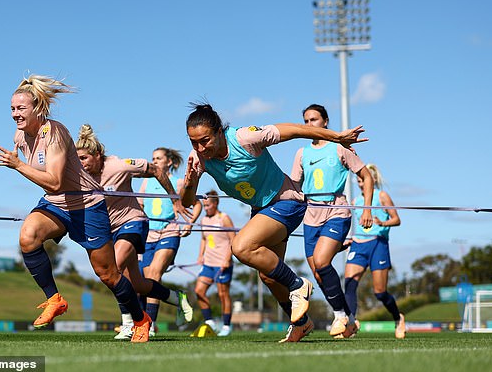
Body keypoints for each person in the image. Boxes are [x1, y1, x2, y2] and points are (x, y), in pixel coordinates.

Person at [179, 103, 368, 343]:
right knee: (268, 276)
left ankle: (298, 286)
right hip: (261, 209)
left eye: (204, 140)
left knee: (241, 247)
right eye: (193, 142)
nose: (199, 147)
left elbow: (296, 130)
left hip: (287, 201)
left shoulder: (245, 137)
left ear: (218, 132)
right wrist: (190, 180)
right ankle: (300, 323)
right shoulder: (198, 159)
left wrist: (336, 137)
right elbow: (186, 201)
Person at [0, 74, 151, 343]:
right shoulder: (20, 135)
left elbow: (53, 181)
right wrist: (21, 163)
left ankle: (140, 319)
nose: (15, 114)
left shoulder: (54, 132)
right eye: (12, 109)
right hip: (56, 204)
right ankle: (55, 300)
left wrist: (18, 165)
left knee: (108, 275)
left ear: (38, 109)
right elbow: (51, 187)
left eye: (21, 108)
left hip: (88, 206)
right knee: (28, 236)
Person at [75, 124, 194, 340]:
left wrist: (174, 200)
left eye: (84, 158)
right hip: (110, 230)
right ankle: (176, 298)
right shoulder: (82, 175)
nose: (81, 164)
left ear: (97, 155)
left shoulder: (120, 166)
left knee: (115, 268)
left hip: (133, 222)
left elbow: (156, 170)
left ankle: (130, 323)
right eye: (78, 159)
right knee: (137, 283)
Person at [289, 103, 374, 339]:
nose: (309, 125)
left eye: (313, 120)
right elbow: (295, 187)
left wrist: (366, 209)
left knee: (322, 261)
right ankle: (350, 319)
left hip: (337, 211)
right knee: (318, 272)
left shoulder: (340, 148)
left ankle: (339, 316)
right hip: (310, 215)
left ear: (325, 122)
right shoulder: (301, 154)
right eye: (305, 121)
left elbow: (366, 177)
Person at [139, 147, 202, 335]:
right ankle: (177, 298)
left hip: (169, 232)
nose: (155, 161)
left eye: (158, 158)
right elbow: (140, 206)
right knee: (145, 283)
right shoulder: (146, 183)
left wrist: (190, 224)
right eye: (152, 158)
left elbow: (197, 203)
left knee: (154, 276)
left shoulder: (178, 182)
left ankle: (149, 325)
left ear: (169, 162)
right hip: (148, 235)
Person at [344, 164, 405, 339]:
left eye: (363, 179)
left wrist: (382, 223)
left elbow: (396, 220)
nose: (361, 183)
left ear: (374, 180)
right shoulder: (356, 202)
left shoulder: (382, 196)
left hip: (378, 244)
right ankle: (351, 323)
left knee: (380, 293)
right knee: (349, 284)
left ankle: (398, 318)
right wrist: (349, 237)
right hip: (358, 245)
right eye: (359, 180)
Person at [194, 190, 236, 337]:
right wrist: (200, 255)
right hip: (208, 264)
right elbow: (204, 239)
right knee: (199, 291)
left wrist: (227, 259)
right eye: (204, 206)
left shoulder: (224, 218)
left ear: (216, 203)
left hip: (223, 263)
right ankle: (210, 321)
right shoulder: (204, 220)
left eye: (208, 206)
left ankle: (226, 325)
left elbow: (233, 240)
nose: (205, 208)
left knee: (223, 294)